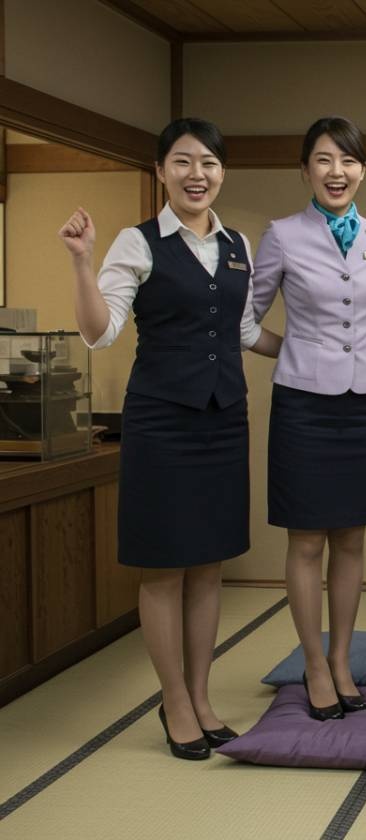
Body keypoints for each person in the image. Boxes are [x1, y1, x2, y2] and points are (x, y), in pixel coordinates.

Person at [58, 118, 281, 759]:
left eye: (208, 162)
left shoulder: (236, 243)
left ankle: (202, 697)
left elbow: (244, 331)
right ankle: (174, 701)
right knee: (163, 568)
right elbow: (100, 331)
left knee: (209, 565)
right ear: (161, 171)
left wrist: (318, 350)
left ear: (222, 172)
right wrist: (81, 262)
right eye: (182, 162)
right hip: (161, 423)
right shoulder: (138, 241)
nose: (196, 174)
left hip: (223, 420)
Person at [252, 117, 366, 718]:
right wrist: (297, 350)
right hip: (304, 406)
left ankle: (341, 660)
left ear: (363, 170)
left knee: (352, 537)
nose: (338, 172)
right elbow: (245, 320)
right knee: (307, 539)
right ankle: (313, 664)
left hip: (365, 403)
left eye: (348, 161)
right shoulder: (282, 235)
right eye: (325, 160)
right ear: (305, 169)